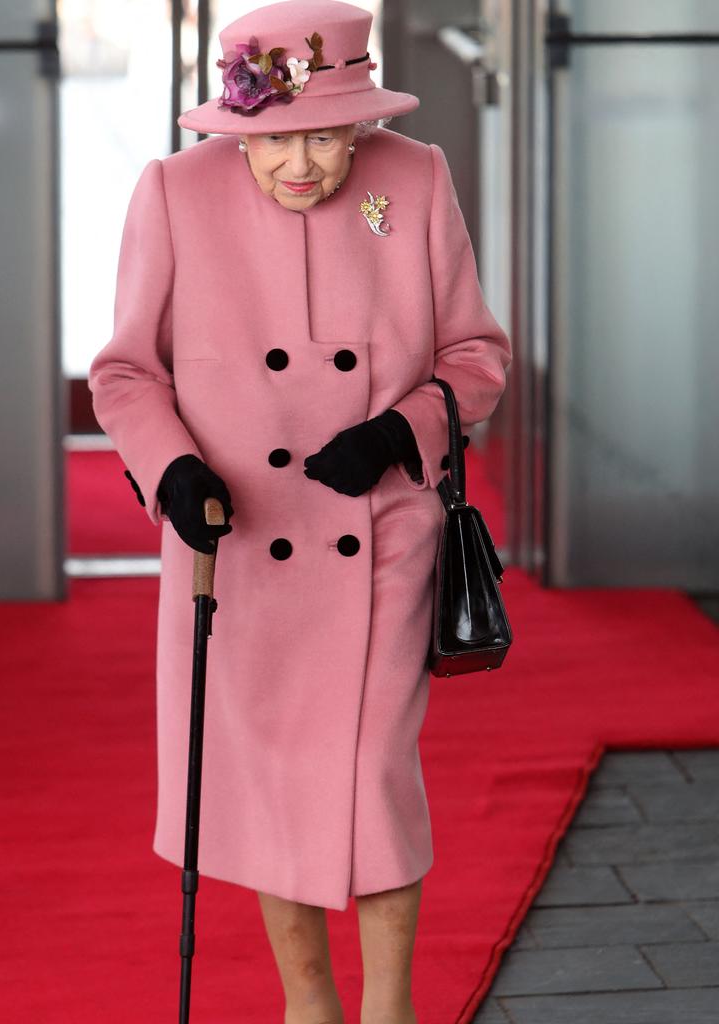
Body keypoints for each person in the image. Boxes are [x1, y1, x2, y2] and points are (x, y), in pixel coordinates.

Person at [88, 1, 511, 1020]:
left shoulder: (414, 178)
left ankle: (391, 1009)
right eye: (276, 141)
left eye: (325, 135)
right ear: (239, 130)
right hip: (236, 545)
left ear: (362, 120)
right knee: (276, 780)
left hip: (382, 538)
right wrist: (173, 466)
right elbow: (127, 372)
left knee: (369, 772)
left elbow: (476, 356)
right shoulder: (175, 192)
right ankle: (309, 1006)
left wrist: (398, 432)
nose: (302, 166)